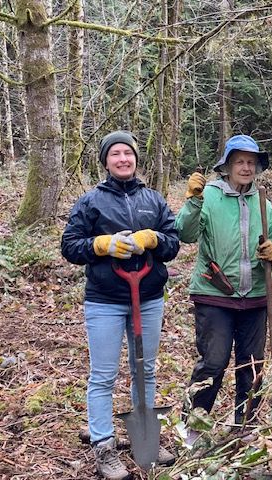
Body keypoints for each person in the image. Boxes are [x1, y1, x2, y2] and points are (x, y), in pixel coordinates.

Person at [61, 131, 180, 480]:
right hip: (105, 301)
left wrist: (154, 238)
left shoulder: (154, 200)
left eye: (128, 153)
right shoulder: (90, 202)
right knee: (103, 375)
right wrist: (102, 245)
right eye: (115, 154)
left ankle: (145, 439)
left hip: (148, 297)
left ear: (136, 159)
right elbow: (70, 246)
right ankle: (103, 445)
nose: (123, 159)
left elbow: (172, 244)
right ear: (106, 161)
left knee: (145, 369)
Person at [175, 134, 272, 436]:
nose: (246, 167)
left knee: (251, 365)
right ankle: (191, 427)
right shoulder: (208, 196)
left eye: (251, 162)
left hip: (256, 295)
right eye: (240, 162)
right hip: (215, 294)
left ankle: (244, 426)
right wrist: (193, 202)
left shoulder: (264, 203)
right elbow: (185, 232)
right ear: (227, 166)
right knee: (214, 362)